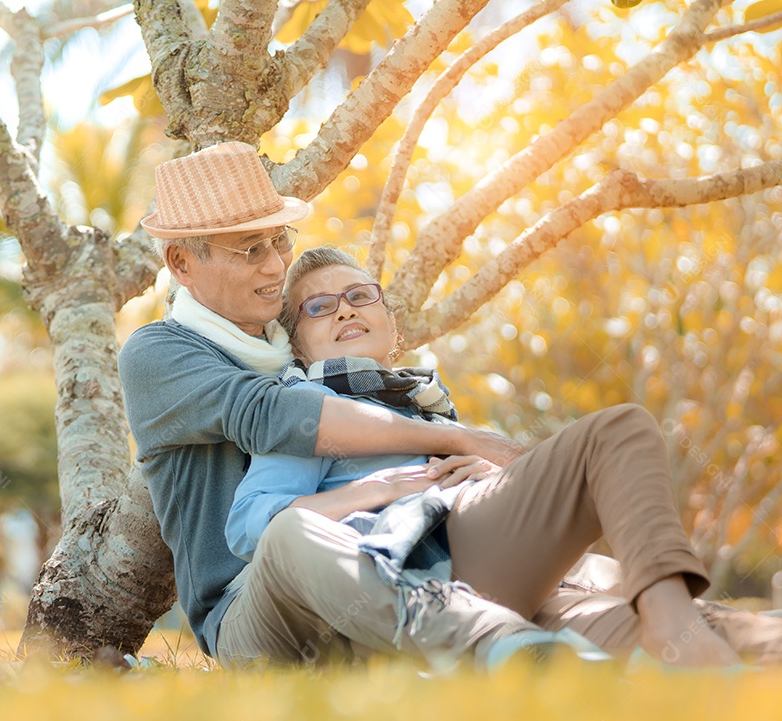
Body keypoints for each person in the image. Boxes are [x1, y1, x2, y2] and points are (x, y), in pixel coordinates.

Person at [117, 141, 776, 670]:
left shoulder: (358, 381)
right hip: (257, 607)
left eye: (278, 241)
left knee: (617, 450)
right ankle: (506, 648)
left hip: (419, 567)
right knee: (294, 534)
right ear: (181, 261)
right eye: (248, 249)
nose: (272, 265)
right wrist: (451, 449)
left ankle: (687, 633)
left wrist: (492, 471)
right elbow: (273, 423)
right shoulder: (165, 352)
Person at [226, 245, 782, 667]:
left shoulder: (434, 412)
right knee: (615, 434)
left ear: (390, 321)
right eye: (319, 307)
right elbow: (253, 526)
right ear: (298, 346)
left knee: (625, 440)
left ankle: (683, 628)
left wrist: (498, 477)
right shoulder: (308, 405)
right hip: (402, 578)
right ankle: (662, 632)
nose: (344, 311)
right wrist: (380, 490)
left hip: (492, 571)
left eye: (359, 295)